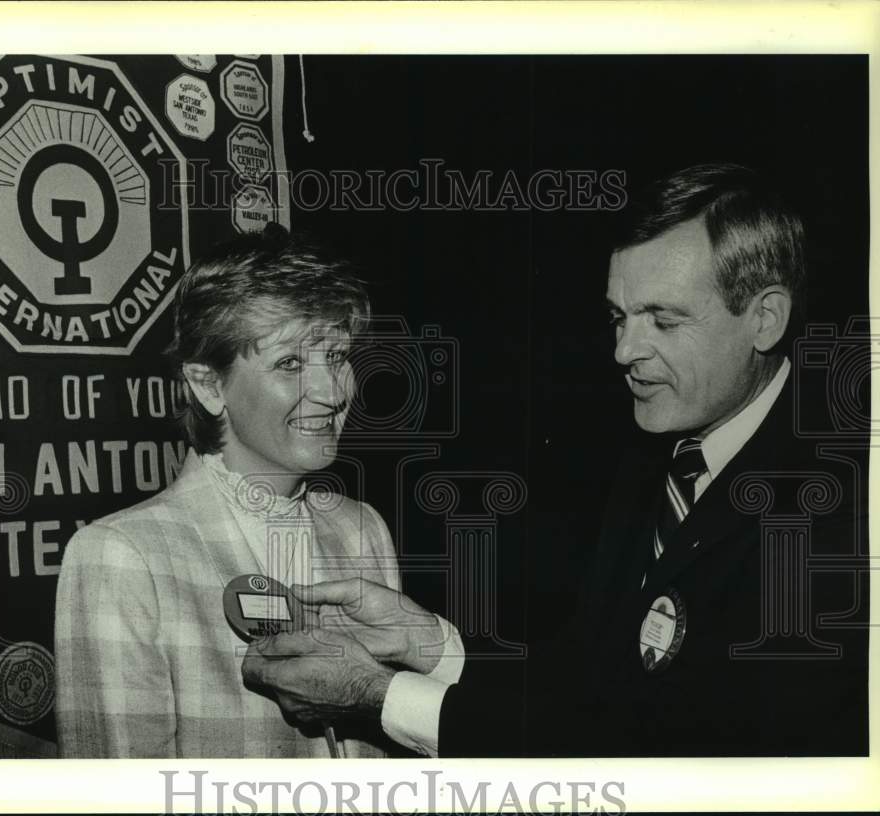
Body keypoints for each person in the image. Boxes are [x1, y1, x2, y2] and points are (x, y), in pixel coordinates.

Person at [242, 164, 869, 757]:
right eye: (620, 317)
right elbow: (591, 683)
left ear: (765, 319)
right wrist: (431, 646)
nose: (625, 350)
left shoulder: (843, 506)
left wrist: (380, 696)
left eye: (664, 321)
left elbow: (666, 750)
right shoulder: (661, 457)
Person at [54, 228, 405, 758]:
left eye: (336, 356)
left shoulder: (362, 528)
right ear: (208, 385)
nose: (333, 392)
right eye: (290, 363)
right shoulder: (122, 555)